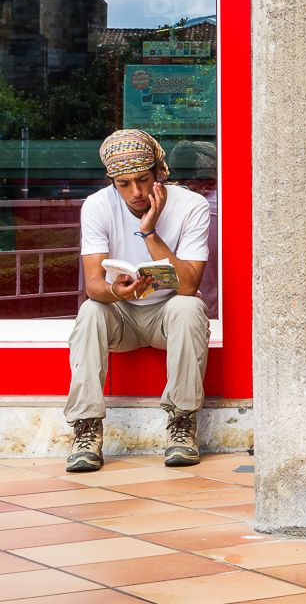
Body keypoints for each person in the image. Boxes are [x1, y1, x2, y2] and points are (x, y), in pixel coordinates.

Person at [65, 130, 211, 472]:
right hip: (123, 316)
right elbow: (93, 286)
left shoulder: (192, 205)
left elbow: (189, 286)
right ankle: (86, 429)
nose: (136, 193)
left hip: (168, 315)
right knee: (90, 311)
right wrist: (118, 291)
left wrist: (149, 232)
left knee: (189, 307)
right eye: (124, 184)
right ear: (112, 182)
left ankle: (182, 423)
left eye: (143, 180)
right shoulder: (98, 206)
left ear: (160, 171)